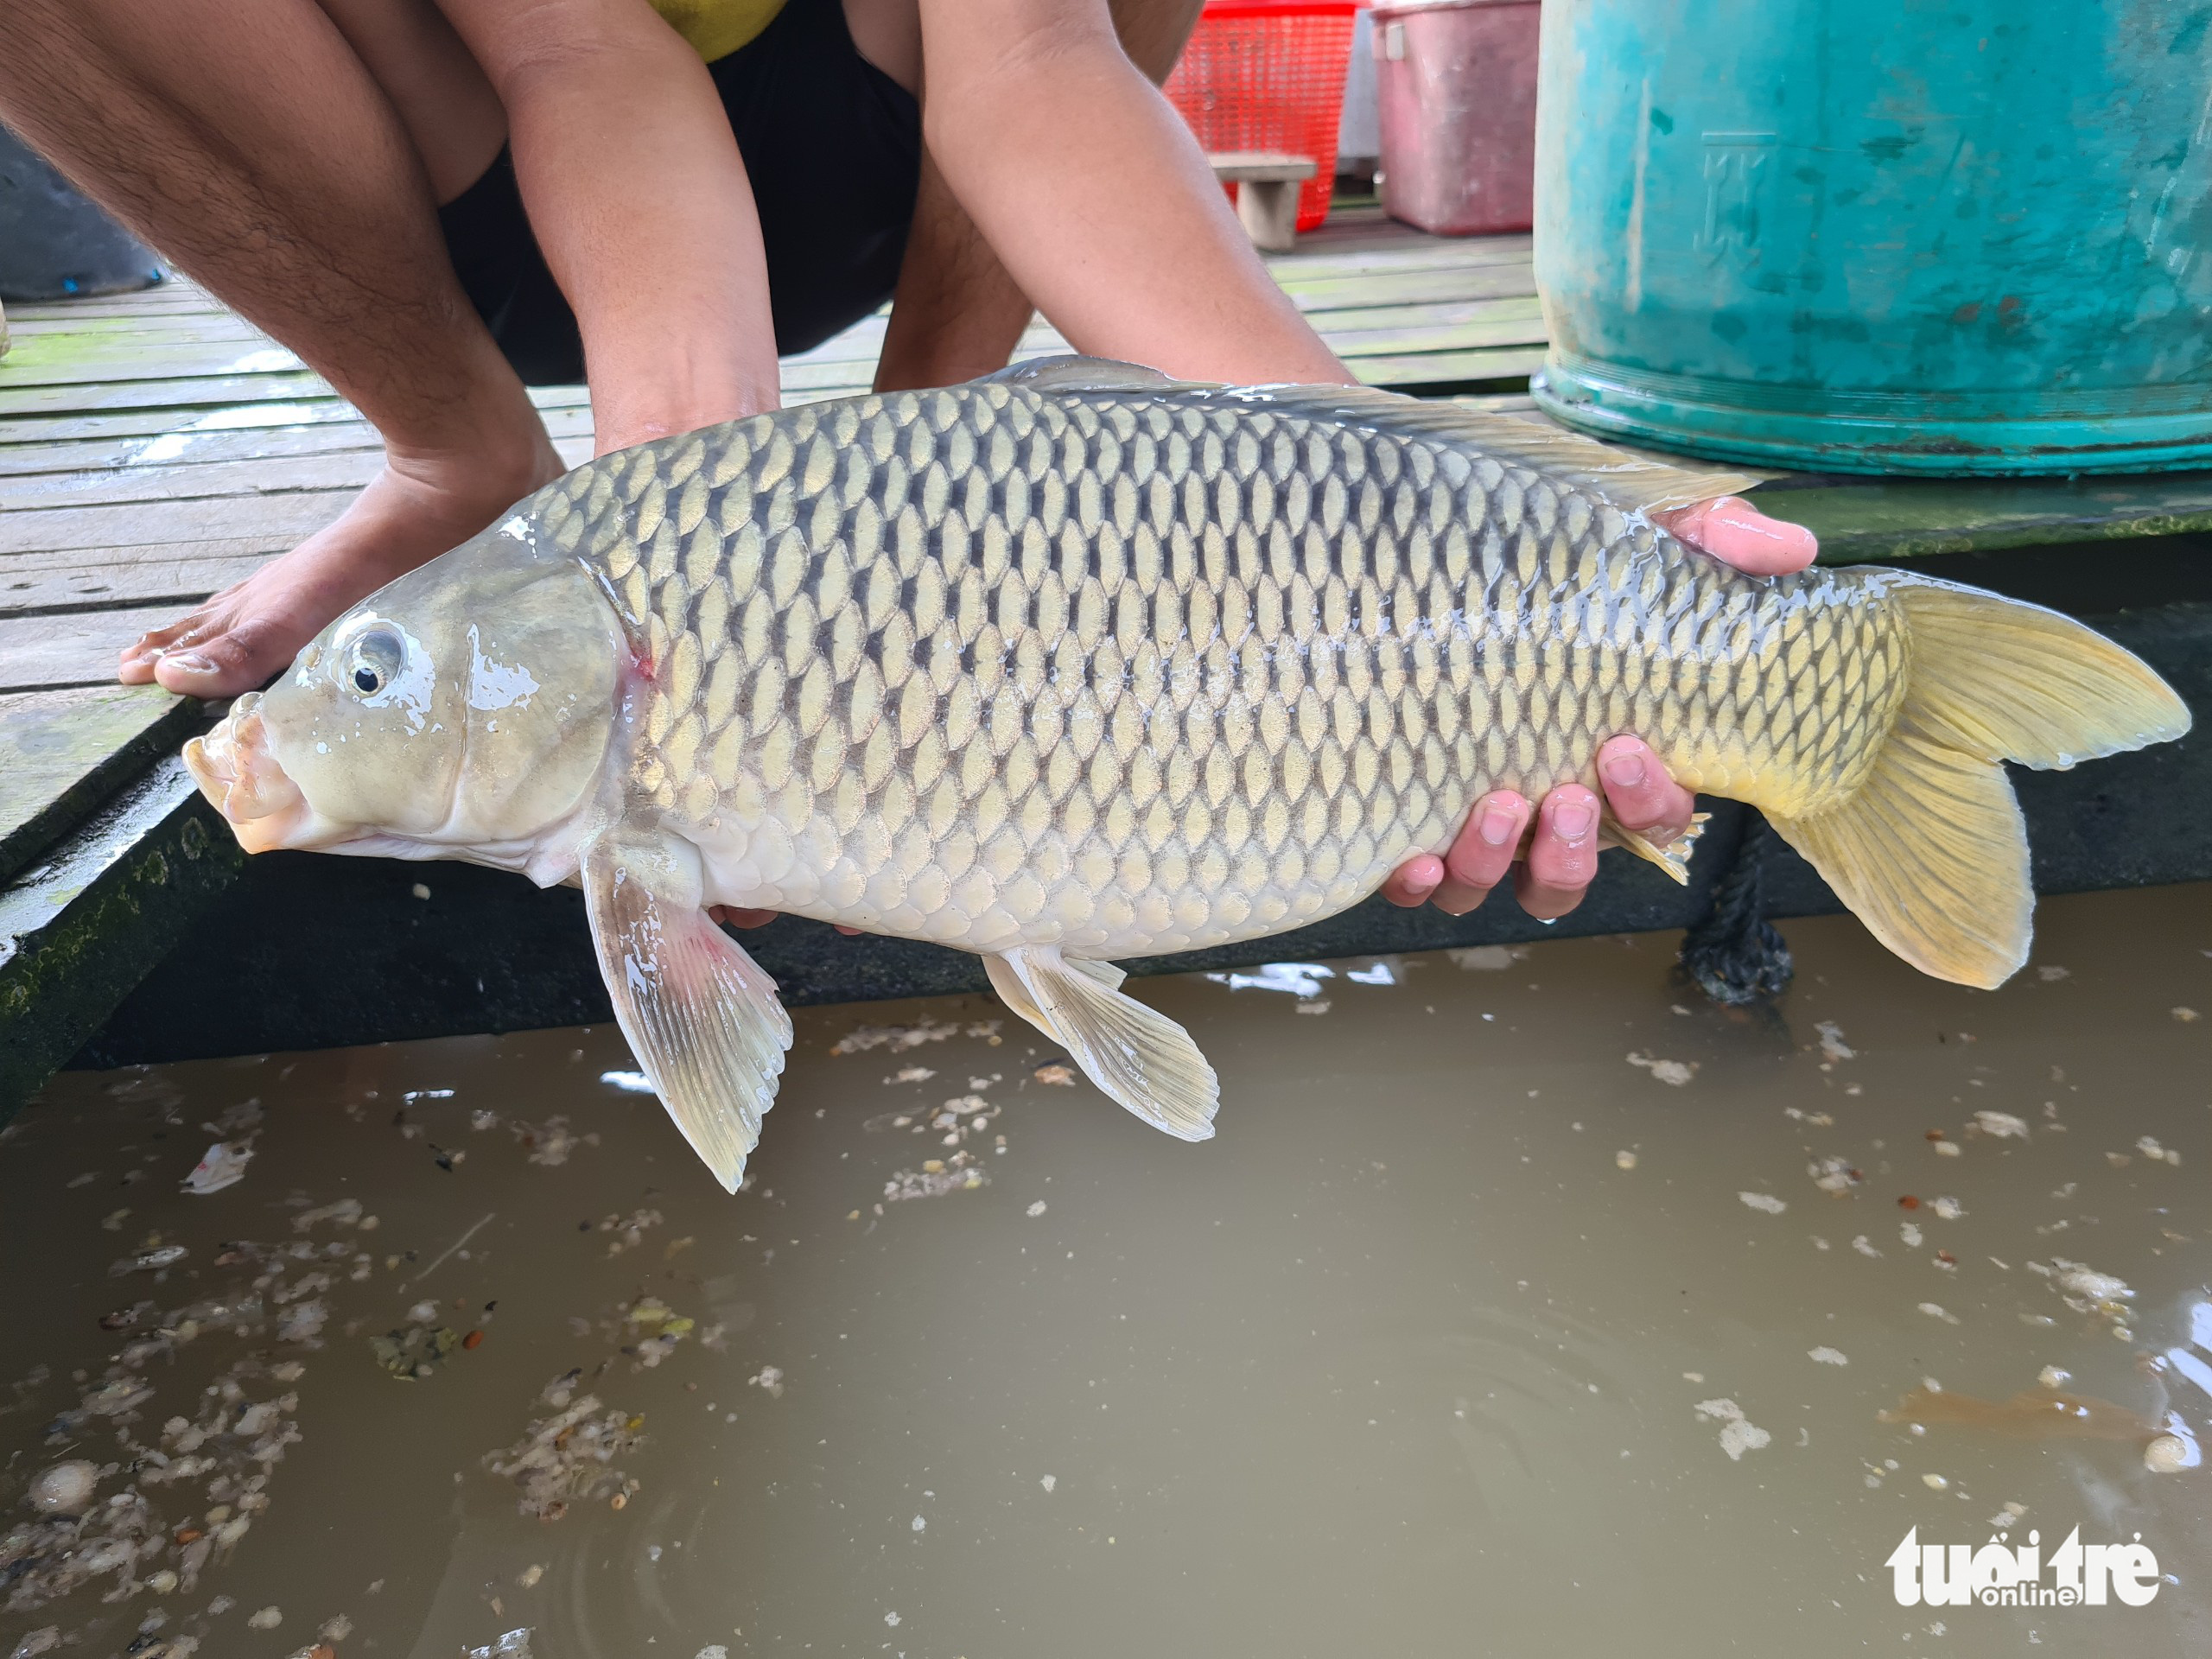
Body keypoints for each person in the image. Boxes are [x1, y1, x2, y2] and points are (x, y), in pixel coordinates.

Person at [0, 0, 1819, 929]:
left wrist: (1409, 485)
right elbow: (578, 56)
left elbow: (1032, 57)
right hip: (482, 162)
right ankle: (454, 445)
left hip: (895, 122)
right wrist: (698, 540)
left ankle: (932, 436)